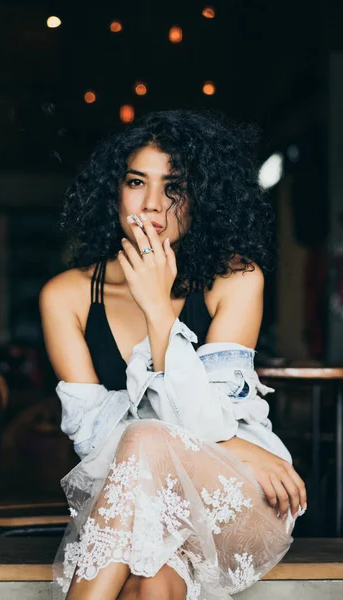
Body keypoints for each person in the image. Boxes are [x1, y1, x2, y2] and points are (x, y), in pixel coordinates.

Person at [40, 109, 307, 600]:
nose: (153, 205)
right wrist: (232, 441)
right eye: (137, 181)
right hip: (134, 507)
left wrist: (159, 312)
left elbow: (180, 427)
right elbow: (96, 448)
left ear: (201, 196)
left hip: (242, 500)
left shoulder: (237, 279)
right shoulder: (66, 296)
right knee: (149, 585)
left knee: (143, 438)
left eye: (175, 186)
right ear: (114, 192)